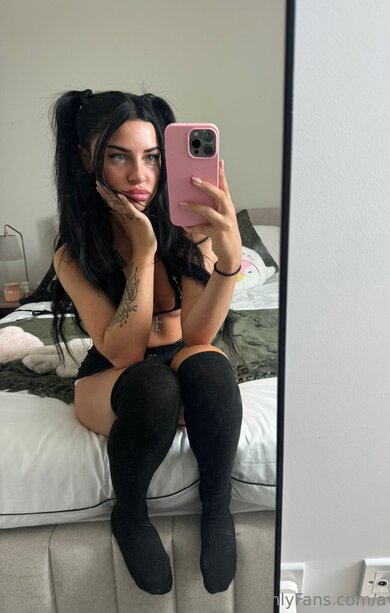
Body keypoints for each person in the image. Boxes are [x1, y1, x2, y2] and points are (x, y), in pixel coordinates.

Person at [51, 89, 243, 596]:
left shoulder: (191, 229)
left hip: (182, 357)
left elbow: (198, 336)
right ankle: (130, 514)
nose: (140, 176)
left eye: (153, 157)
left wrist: (228, 259)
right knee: (154, 386)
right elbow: (125, 354)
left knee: (210, 368)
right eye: (119, 157)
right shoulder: (74, 253)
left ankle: (216, 507)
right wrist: (142, 252)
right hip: (115, 375)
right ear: (87, 160)